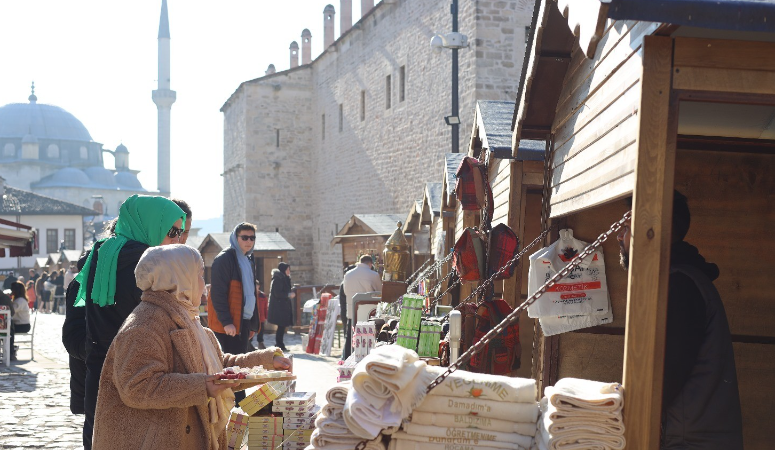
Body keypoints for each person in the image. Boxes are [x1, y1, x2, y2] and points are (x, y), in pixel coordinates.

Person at [91, 244, 290, 450]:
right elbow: (137, 386)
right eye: (200, 275)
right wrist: (202, 386)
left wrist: (267, 362)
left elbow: (219, 367)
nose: (204, 284)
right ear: (180, 278)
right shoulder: (144, 324)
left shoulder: (187, 318)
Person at [618, 191, 743, 449]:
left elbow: (661, 380)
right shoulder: (682, 280)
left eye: (626, 226)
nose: (620, 236)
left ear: (651, 229)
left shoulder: (679, 287)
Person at [63, 194, 187, 450]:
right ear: (151, 226)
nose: (178, 239)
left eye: (181, 232)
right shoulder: (147, 265)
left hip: (100, 375)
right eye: (173, 231)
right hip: (140, 376)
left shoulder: (102, 259)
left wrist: (101, 352)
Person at [207, 223, 260, 401]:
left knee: (240, 368)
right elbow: (217, 293)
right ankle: (232, 409)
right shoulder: (224, 259)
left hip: (243, 321)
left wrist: (251, 323)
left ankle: (238, 409)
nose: (248, 241)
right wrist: (226, 321)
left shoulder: (249, 259)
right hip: (228, 324)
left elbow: (250, 293)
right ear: (235, 238)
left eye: (252, 238)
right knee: (230, 370)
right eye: (244, 237)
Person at [342, 255, 382, 359]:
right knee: (366, 337)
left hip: (352, 310)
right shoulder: (373, 275)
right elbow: (380, 293)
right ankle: (366, 358)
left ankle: (347, 359)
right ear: (370, 264)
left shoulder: (348, 274)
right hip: (367, 311)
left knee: (350, 336)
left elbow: (346, 292)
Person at [267, 262, 295, 352]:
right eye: (287, 269)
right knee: (281, 327)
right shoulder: (278, 279)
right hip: (279, 307)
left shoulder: (285, 278)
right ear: (283, 270)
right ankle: (279, 344)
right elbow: (277, 293)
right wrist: (288, 295)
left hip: (283, 307)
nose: (289, 271)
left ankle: (280, 344)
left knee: (282, 327)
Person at [9, 281, 31, 361]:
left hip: (23, 325)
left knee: (9, 331)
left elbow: (11, 312)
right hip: (19, 324)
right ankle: (10, 348)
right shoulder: (18, 300)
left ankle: (11, 350)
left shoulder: (20, 301)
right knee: (7, 329)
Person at [338, 263, 356, 360]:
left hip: (347, 312)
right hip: (347, 312)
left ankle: (346, 357)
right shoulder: (344, 284)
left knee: (348, 336)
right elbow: (343, 301)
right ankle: (346, 357)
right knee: (348, 336)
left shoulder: (346, 283)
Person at [254, 279, 269, 349]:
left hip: (261, 317)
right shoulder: (251, 295)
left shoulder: (263, 296)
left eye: (256, 285)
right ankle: (249, 344)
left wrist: (266, 317)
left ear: (259, 286)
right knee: (251, 330)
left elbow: (265, 307)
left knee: (261, 331)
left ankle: (260, 343)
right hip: (253, 317)